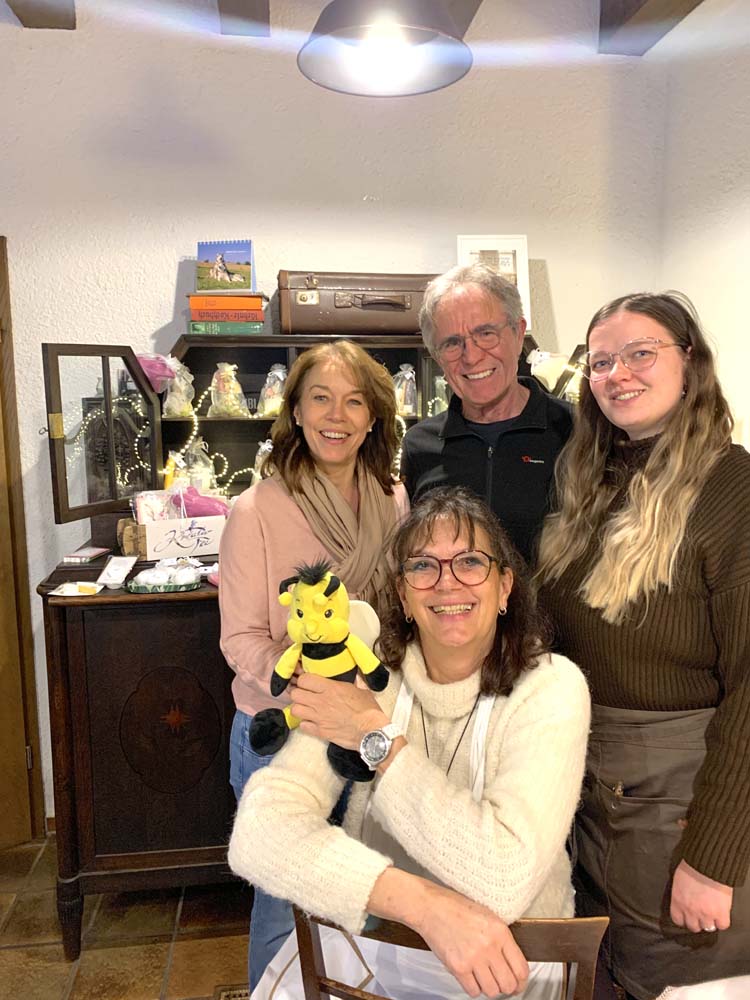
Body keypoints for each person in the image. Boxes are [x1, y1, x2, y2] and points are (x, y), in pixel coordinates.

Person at [228, 487, 591, 1000]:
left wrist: (374, 736)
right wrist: (425, 907)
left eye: (470, 561)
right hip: (381, 954)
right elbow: (259, 831)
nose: (447, 582)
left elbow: (504, 878)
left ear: (505, 587)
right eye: (423, 566)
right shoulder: (370, 680)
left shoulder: (552, 689)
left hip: (513, 964)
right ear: (403, 595)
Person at [536, 292, 750, 1000]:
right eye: (601, 362)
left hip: (682, 805)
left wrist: (714, 858)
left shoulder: (733, 488)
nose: (617, 374)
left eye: (640, 354)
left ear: (689, 362)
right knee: (617, 976)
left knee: (678, 980)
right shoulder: (593, 481)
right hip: (598, 794)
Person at [219, 340, 409, 991]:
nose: (337, 415)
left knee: (365, 895)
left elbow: (393, 617)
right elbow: (242, 640)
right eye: (321, 398)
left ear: (374, 417)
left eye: (354, 401)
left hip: (365, 729)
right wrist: (316, 689)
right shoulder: (257, 510)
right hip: (283, 734)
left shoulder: (392, 499)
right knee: (284, 908)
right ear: (295, 412)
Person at [400, 264, 573, 564]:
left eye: (486, 333)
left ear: (519, 333)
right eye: (452, 343)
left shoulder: (576, 431)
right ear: (437, 356)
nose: (472, 356)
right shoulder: (419, 446)